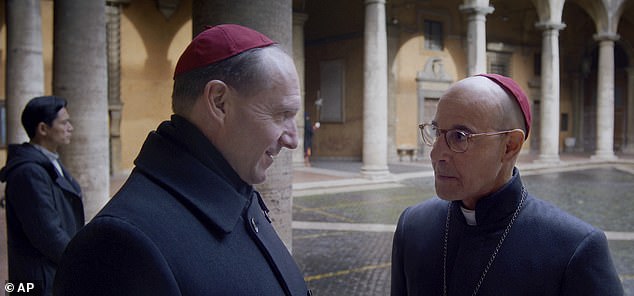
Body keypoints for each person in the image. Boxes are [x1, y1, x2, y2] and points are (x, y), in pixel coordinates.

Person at [53, 24, 310, 296]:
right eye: (281, 114)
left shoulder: (236, 189)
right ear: (219, 102)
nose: (293, 139)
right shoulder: (116, 248)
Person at [391, 74, 624, 295]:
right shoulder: (412, 226)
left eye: (460, 136)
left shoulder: (576, 249)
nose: (436, 153)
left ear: (510, 146)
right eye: (435, 131)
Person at [0, 96, 84, 296]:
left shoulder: (50, 162)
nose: (70, 127)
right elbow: (47, 233)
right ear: (43, 129)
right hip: (39, 280)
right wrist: (79, 262)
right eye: (64, 123)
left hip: (51, 273)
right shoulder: (29, 172)